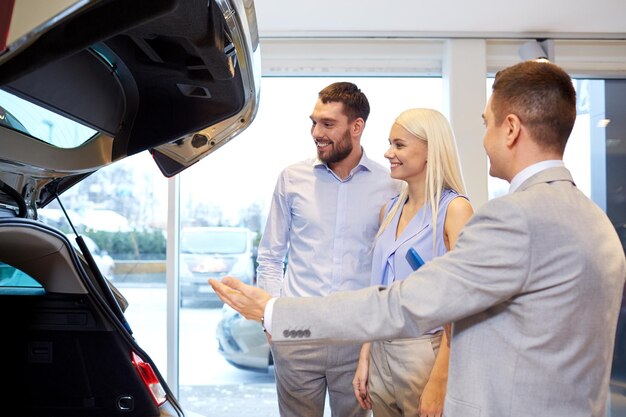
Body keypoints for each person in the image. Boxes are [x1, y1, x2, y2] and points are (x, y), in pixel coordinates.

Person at [210, 60, 626, 417]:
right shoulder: (593, 221)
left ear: (511, 129)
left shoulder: (513, 218)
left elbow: (405, 303)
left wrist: (276, 312)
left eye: (487, 124)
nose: (483, 139)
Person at [255, 81, 399, 417]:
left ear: (357, 126)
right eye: (314, 122)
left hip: (356, 338)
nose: (316, 132)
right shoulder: (291, 178)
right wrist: (270, 319)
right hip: (296, 333)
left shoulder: (391, 185)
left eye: (328, 124)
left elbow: (389, 266)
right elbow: (271, 255)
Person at [352, 108, 473, 417]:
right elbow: (376, 292)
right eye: (390, 143)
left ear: (431, 149)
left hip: (425, 352)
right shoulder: (389, 211)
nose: (388, 153)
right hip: (380, 349)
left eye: (399, 145)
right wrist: (365, 356)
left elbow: (462, 306)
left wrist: (440, 380)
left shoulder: (455, 210)